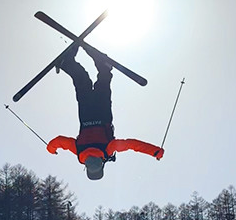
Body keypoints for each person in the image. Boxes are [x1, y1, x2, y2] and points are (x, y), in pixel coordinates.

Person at [47, 45, 164, 180]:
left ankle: (103, 66)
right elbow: (60, 140)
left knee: (103, 82)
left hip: (103, 113)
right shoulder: (79, 151)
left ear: (101, 165)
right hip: (86, 113)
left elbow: (132, 144)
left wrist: (155, 151)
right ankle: (67, 62)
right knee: (82, 82)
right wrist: (51, 149)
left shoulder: (107, 149)